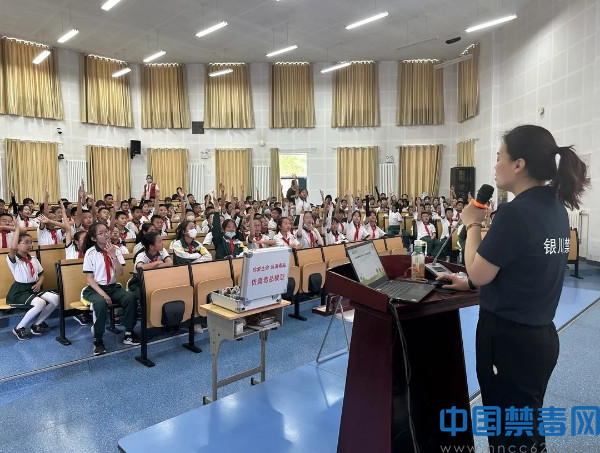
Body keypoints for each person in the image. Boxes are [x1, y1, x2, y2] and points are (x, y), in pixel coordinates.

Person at [439, 125, 588, 451]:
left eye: (499, 157)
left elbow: (479, 272)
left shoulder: (515, 213)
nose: (495, 165)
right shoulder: (555, 208)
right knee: (525, 430)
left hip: (509, 343)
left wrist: (473, 223)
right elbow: (522, 269)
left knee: (509, 437)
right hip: (539, 338)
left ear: (519, 164)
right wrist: (467, 283)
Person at [81, 223, 140, 355]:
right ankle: (98, 340)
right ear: (94, 238)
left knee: (130, 297)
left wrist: (112, 255)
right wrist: (103, 294)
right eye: (101, 233)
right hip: (95, 289)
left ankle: (129, 333)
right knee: (100, 303)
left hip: (113, 287)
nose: (106, 235)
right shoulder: (90, 253)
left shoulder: (116, 250)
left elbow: (120, 272)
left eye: (106, 231)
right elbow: (89, 278)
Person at [6, 221, 59, 340]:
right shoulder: (14, 259)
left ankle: (36, 324)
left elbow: (42, 275)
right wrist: (17, 230)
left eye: (31, 242)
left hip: (34, 287)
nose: (30, 245)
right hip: (20, 290)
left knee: (56, 298)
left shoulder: (33, 259)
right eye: (26, 243)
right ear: (18, 245)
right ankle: (19, 328)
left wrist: (39, 283)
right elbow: (12, 248)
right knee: (40, 303)